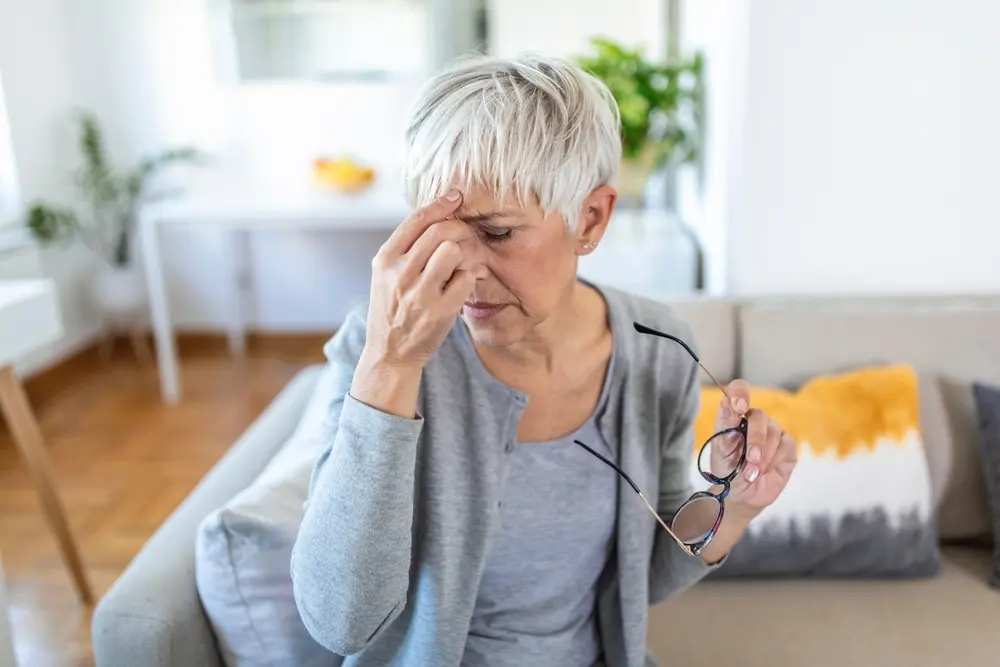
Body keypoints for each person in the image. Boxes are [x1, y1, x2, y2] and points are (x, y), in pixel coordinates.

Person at [290, 53, 797, 667]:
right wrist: (390, 365)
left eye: (498, 233)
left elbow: (643, 585)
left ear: (591, 218)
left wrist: (734, 505)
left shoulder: (656, 349)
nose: (464, 269)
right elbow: (340, 623)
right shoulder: (379, 350)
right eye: (438, 233)